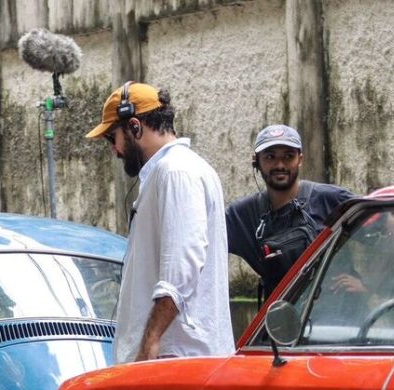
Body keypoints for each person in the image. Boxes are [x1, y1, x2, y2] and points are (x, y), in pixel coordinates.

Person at [86, 81, 234, 364]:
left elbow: (180, 269)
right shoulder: (172, 171)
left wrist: (150, 343)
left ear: (135, 126)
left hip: (174, 361)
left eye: (112, 137)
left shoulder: (176, 171)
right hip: (172, 361)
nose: (114, 150)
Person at [225, 124, 355, 298]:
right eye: (270, 157)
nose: (280, 165)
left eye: (288, 156)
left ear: (300, 159)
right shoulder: (242, 216)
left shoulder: (332, 199)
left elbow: (390, 229)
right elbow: (199, 245)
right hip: (280, 321)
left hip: (334, 318)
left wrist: (368, 286)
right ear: (256, 161)